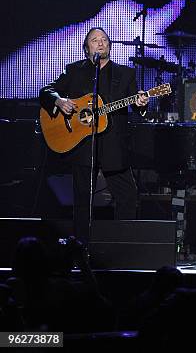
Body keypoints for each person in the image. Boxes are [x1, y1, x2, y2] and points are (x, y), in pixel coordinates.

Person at [39, 27, 149, 242]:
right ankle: (82, 248)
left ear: (109, 45)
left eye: (104, 40)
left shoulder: (125, 74)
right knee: (82, 201)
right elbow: (46, 91)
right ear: (86, 48)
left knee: (127, 197)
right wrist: (59, 101)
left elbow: (136, 105)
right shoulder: (74, 71)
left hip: (113, 146)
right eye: (94, 40)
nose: (100, 43)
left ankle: (122, 245)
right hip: (82, 145)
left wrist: (141, 103)